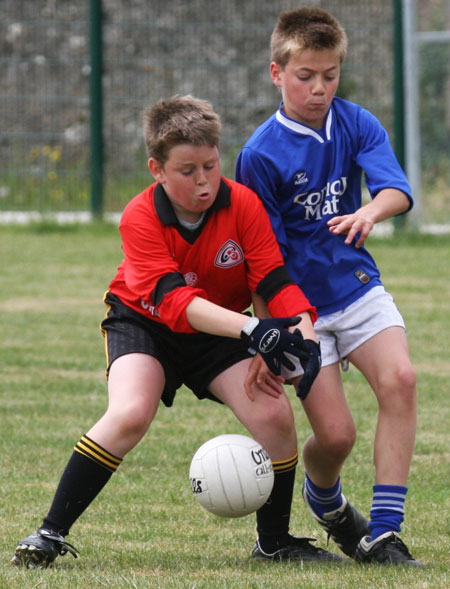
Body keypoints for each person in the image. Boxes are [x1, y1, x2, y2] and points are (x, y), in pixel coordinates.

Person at [11, 94, 342, 569]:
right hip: (145, 323)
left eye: (211, 164)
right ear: (156, 169)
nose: (204, 181)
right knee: (129, 413)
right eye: (188, 171)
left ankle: (274, 542)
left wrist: (302, 335)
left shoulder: (242, 204)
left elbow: (273, 279)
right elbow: (176, 303)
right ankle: (49, 533)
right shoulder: (139, 216)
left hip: (220, 333)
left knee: (275, 418)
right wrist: (256, 331)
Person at [235, 7, 424, 567]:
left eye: (330, 75)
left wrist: (370, 212)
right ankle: (327, 500)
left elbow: (396, 191)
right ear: (277, 73)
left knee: (402, 380)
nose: (319, 88)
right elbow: (260, 258)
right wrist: (270, 334)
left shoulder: (355, 121)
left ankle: (384, 532)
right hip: (301, 309)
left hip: (357, 286)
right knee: (335, 437)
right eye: (305, 76)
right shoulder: (259, 154)